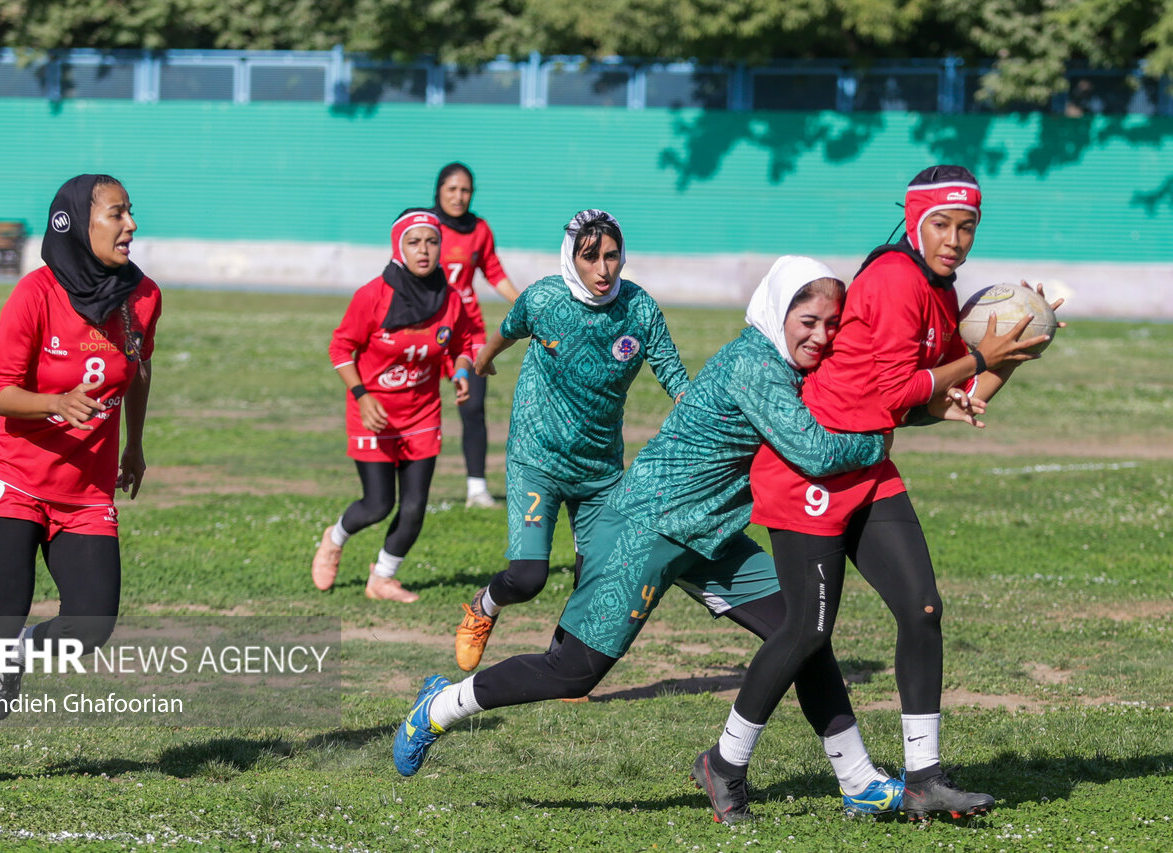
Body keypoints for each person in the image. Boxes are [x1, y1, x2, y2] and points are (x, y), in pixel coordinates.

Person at [395, 257, 907, 820]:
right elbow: (815, 452)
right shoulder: (756, 365)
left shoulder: (791, 364)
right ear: (777, 311)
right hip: (646, 527)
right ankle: (440, 704)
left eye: (832, 324)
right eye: (808, 320)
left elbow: (871, 376)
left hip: (711, 536)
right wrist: (878, 441)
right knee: (572, 672)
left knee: (803, 636)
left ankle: (858, 780)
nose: (822, 335)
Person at [701, 165, 1057, 821]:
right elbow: (897, 393)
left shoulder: (940, 290)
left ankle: (924, 778)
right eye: (942, 224)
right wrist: (981, 357)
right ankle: (724, 762)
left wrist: (1010, 354)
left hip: (865, 465)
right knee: (806, 631)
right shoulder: (895, 279)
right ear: (917, 221)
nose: (954, 239)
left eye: (967, 226)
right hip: (807, 472)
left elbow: (943, 399)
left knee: (922, 609)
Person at [0, 174, 160, 785]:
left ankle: (14, 656)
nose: (130, 224)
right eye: (115, 214)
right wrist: (57, 402)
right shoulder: (35, 293)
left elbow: (140, 367)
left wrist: (133, 443)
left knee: (93, 623)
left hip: (86, 491)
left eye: (130, 213)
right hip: (15, 480)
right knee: (1, 615)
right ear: (77, 224)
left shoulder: (145, 296)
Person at [451, 209, 689, 673]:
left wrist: (696, 408)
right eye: (590, 257)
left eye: (612, 256)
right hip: (537, 457)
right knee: (527, 576)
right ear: (571, 258)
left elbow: (673, 374)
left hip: (599, 470)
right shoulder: (543, 299)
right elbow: (506, 331)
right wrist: (481, 360)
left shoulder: (639, 309)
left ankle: (561, 663)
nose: (604, 269)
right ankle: (483, 607)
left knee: (595, 579)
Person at [311, 209, 478, 603]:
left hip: (422, 415)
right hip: (374, 413)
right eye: (414, 242)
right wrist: (361, 395)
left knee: (415, 506)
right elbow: (341, 348)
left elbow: (463, 344)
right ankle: (334, 539)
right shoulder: (372, 295)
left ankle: (382, 578)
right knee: (377, 505)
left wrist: (462, 371)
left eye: (432, 241)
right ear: (398, 247)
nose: (424, 250)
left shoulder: (451, 299)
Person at [432, 163, 520, 509]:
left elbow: (493, 270)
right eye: (452, 189)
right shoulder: (425, 225)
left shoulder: (479, 229)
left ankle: (477, 489)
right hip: (428, 329)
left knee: (473, 408)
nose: (458, 196)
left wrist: (522, 301)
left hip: (468, 332)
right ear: (439, 190)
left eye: (465, 190)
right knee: (415, 404)